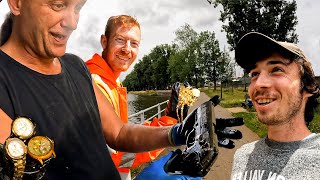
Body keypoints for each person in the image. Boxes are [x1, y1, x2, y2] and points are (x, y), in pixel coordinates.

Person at [0, 0, 200, 179]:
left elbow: (119, 133)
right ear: (17, 3)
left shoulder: (76, 66)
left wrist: (174, 132)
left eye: (78, 8)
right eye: (58, 5)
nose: (73, 23)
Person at [85, 15, 189, 180]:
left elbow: (122, 131)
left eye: (134, 43)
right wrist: (168, 128)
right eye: (120, 40)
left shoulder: (111, 81)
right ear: (104, 42)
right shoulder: (95, 84)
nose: (127, 49)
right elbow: (119, 154)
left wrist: (165, 121)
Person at [231, 32, 320, 180]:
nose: (259, 84)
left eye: (277, 69)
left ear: (308, 86)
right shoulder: (242, 156)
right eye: (254, 74)